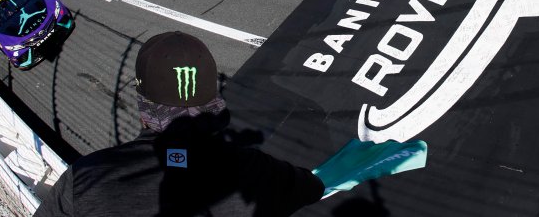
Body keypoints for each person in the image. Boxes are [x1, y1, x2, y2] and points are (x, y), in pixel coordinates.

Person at [34, 31, 325, 217]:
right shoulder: (252, 170)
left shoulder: (87, 179)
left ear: (144, 105)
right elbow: (312, 188)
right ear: (213, 99)